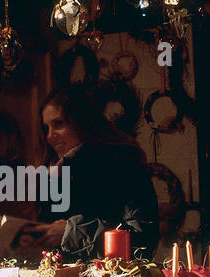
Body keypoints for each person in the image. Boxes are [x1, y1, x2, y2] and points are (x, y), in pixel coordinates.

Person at [28, 87, 159, 261]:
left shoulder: (123, 166)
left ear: (82, 123)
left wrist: (72, 232)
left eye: (59, 124)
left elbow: (142, 239)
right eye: (46, 128)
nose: (50, 136)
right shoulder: (54, 175)